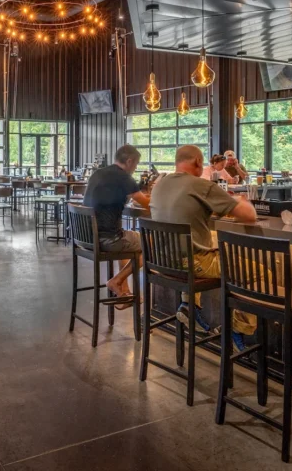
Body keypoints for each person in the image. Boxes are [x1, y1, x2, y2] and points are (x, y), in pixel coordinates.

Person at [149, 145, 258, 351]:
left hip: (162, 261)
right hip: (192, 264)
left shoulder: (159, 184)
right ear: (199, 162)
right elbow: (249, 215)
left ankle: (189, 305)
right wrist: (238, 199)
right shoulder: (201, 185)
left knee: (201, 246)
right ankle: (237, 329)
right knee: (257, 272)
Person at [82, 144, 151, 302]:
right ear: (129, 161)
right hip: (108, 239)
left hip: (87, 237)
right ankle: (117, 280)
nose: (135, 168)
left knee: (128, 240)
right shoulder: (124, 177)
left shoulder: (98, 174)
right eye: (136, 164)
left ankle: (123, 291)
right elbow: (147, 204)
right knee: (152, 243)